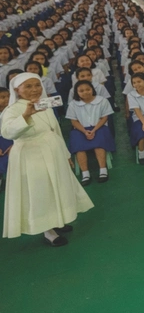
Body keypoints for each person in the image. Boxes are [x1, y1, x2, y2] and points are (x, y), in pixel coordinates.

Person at [2, 73, 93, 246]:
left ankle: (57, 220)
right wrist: (26, 115)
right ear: (17, 90)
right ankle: (48, 231)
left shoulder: (45, 104)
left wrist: (66, 155)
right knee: (40, 190)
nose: (34, 89)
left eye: (37, 85)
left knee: (56, 186)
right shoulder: (12, 109)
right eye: (28, 86)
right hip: (31, 155)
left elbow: (55, 130)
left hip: (53, 151)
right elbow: (7, 132)